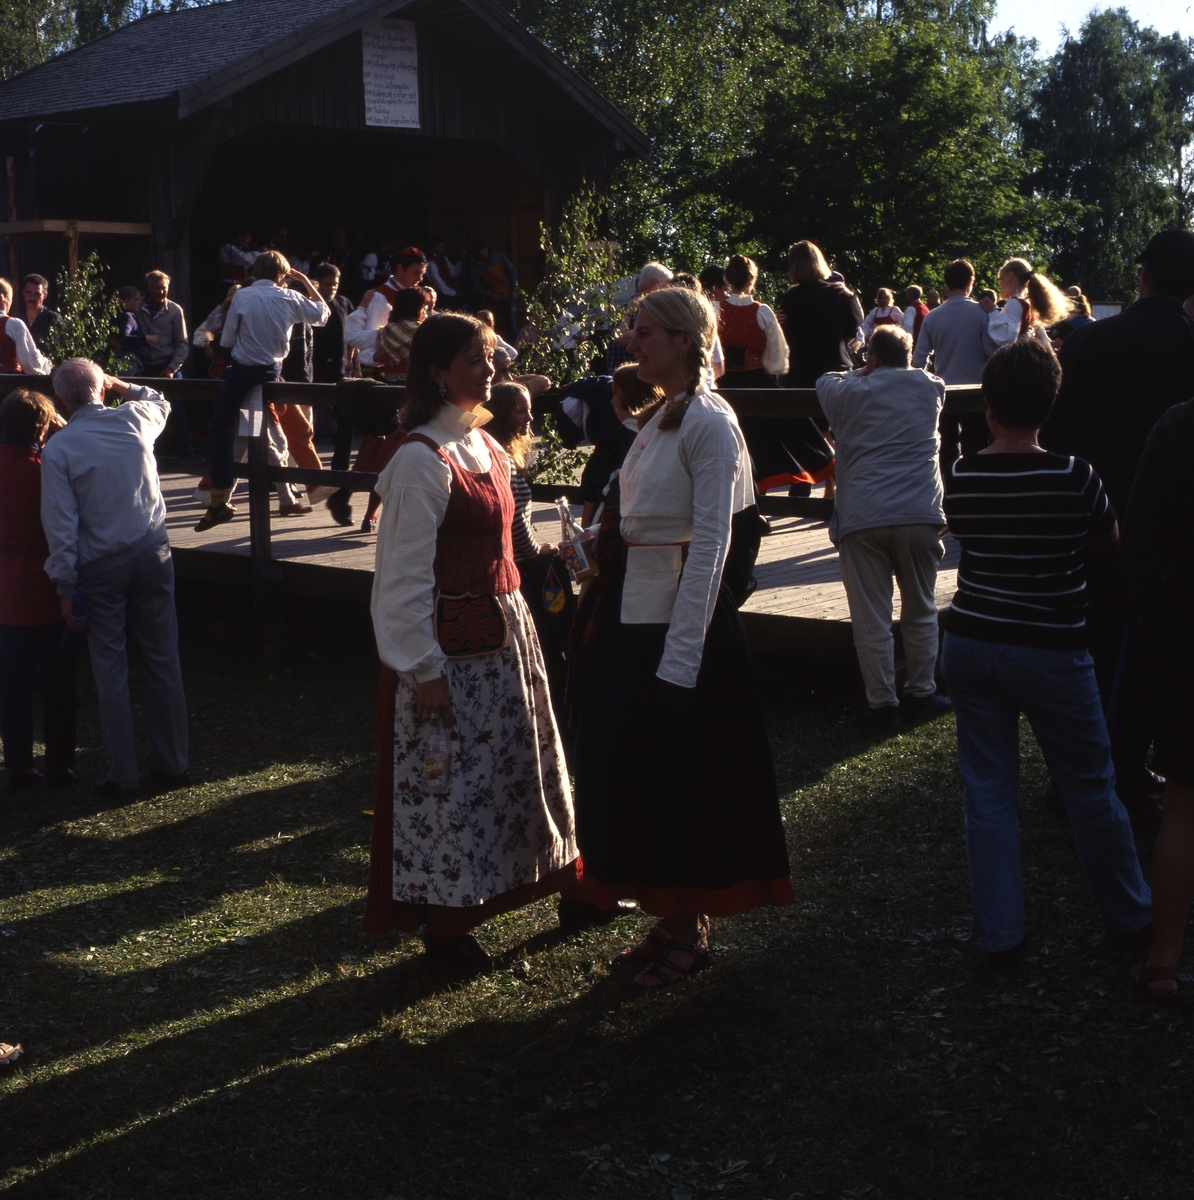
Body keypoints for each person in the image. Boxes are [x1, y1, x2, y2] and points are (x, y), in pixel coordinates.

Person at [568, 286, 795, 987]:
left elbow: (712, 546)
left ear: (683, 341)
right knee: (644, 777)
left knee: (682, 780)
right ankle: (670, 919)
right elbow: (640, 524)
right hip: (637, 620)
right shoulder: (663, 416)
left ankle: (689, 931)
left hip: (679, 628)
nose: (631, 343)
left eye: (644, 332)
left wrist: (681, 657)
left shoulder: (709, 422)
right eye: (633, 331)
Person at [363, 312, 586, 975]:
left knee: (517, 771)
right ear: (436, 372)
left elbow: (506, 543)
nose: (490, 371)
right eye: (473, 360)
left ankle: (566, 885)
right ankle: (448, 924)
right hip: (448, 653)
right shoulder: (418, 459)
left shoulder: (484, 443)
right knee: (452, 786)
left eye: (489, 358)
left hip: (506, 637)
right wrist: (423, 669)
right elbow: (401, 578)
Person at [940, 339, 1151, 968]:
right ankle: (1129, 916)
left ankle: (1000, 936)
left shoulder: (963, 475)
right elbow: (1108, 538)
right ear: (1050, 405)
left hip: (971, 641)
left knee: (988, 794)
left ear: (989, 405)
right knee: (1090, 788)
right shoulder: (1075, 476)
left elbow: (966, 534)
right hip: (1051, 647)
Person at [1042, 229, 1194, 818]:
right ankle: (1131, 770)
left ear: (1144, 275)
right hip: (1170, 538)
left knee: (1095, 654)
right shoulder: (1188, 344)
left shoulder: (1091, 341)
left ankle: (1079, 775)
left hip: (1094, 526)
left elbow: (1056, 436)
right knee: (1154, 658)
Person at [40, 360, 189, 796]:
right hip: (151, 550)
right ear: (102, 390)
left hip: (100, 565)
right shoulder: (135, 418)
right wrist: (117, 382)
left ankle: (123, 773)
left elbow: (61, 524)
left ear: (61, 401)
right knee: (162, 658)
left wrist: (65, 585)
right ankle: (174, 762)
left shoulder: (59, 449)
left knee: (110, 669)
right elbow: (159, 399)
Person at [816, 326, 949, 728]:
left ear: (871, 359)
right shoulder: (931, 387)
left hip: (863, 514)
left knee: (871, 616)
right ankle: (922, 691)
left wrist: (860, 371)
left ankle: (881, 702)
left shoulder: (847, 391)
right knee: (921, 607)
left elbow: (825, 379)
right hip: (919, 511)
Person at [1119, 400, 1194, 1001]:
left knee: (1184, 806)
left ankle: (1163, 963)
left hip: (1188, 631)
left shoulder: (1178, 427)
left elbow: (1139, 543)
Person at [196, 251, 328, 533]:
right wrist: (305, 280)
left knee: (225, 429)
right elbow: (322, 315)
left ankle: (218, 496)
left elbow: (227, 340)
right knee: (265, 435)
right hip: (270, 375)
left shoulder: (242, 296)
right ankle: (285, 497)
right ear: (283, 274)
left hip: (242, 375)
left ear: (255, 271)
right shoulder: (290, 297)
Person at [0, 389, 76, 791]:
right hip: (47, 589)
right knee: (58, 683)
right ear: (42, 427)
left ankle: (19, 764)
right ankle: (61, 764)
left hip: (6, 593)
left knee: (12, 684)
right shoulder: (46, 470)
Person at [912, 258, 999, 466]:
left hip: (944, 391)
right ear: (970, 282)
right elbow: (992, 352)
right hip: (976, 393)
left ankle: (950, 483)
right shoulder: (981, 314)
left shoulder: (932, 317)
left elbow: (918, 359)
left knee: (946, 448)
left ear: (946, 284)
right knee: (975, 446)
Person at [577, 362, 662, 525]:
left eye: (616, 394)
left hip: (611, 522)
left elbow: (592, 490)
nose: (612, 402)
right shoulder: (660, 434)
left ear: (630, 396)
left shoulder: (614, 436)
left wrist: (585, 529)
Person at [343, 246, 428, 375]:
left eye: (422, 274)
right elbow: (372, 344)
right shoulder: (379, 297)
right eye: (416, 273)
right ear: (400, 268)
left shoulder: (418, 295)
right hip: (389, 374)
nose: (420, 279)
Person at [135, 270, 192, 456]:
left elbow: (182, 344)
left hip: (168, 365)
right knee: (144, 409)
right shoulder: (138, 308)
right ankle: (152, 451)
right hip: (145, 366)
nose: (161, 292)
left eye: (164, 288)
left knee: (177, 409)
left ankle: (185, 450)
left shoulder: (174, 311)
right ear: (148, 288)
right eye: (156, 288)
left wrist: (171, 368)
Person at [716, 253, 788, 387]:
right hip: (756, 382)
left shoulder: (715, 310)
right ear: (751, 280)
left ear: (728, 279)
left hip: (723, 381)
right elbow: (776, 352)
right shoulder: (763, 312)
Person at [981, 258, 1072, 347]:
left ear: (1010, 276)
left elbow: (1005, 337)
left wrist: (992, 311)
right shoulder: (1029, 304)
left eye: (1001, 279)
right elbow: (1044, 342)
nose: (999, 284)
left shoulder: (1014, 303)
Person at [606, 261, 674, 373]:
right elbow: (620, 337)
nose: (669, 292)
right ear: (655, 284)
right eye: (667, 286)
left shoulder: (620, 310)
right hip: (637, 379)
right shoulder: (650, 313)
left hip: (615, 379)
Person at [0, 278, 51, 374]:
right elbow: (31, 365)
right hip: (8, 381)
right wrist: (48, 364)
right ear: (6, 298)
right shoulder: (13, 324)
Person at [468, 241, 518, 338]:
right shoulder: (475, 267)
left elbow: (512, 271)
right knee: (485, 321)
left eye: (485, 249)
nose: (484, 252)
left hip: (507, 292)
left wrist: (513, 289)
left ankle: (513, 345)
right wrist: (489, 294)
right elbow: (475, 286)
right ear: (477, 254)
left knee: (512, 324)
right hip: (493, 295)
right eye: (481, 250)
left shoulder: (498, 256)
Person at [16, 275, 61, 353]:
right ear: (23, 293)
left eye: (37, 294)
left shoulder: (53, 319)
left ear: (45, 295)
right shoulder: (16, 320)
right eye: (29, 293)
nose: (32, 298)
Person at [111, 286, 151, 363]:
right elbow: (124, 338)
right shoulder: (127, 317)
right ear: (126, 301)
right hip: (128, 361)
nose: (140, 302)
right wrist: (146, 338)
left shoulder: (122, 315)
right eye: (137, 299)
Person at [426, 238, 463, 307]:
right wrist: (454, 293)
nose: (443, 249)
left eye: (443, 247)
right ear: (434, 248)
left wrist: (462, 260)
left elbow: (453, 273)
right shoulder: (431, 263)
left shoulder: (444, 259)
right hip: (438, 295)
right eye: (440, 247)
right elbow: (439, 284)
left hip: (447, 291)